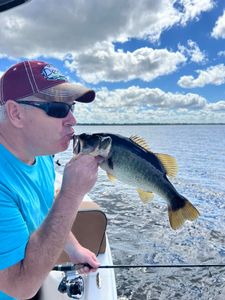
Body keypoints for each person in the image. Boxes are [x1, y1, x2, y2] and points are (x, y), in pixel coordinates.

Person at [0, 60, 100, 299]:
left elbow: (44, 203)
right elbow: (19, 286)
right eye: (57, 109)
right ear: (15, 113)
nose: (72, 120)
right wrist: (72, 194)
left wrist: (74, 249)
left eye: (71, 107)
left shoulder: (41, 154)